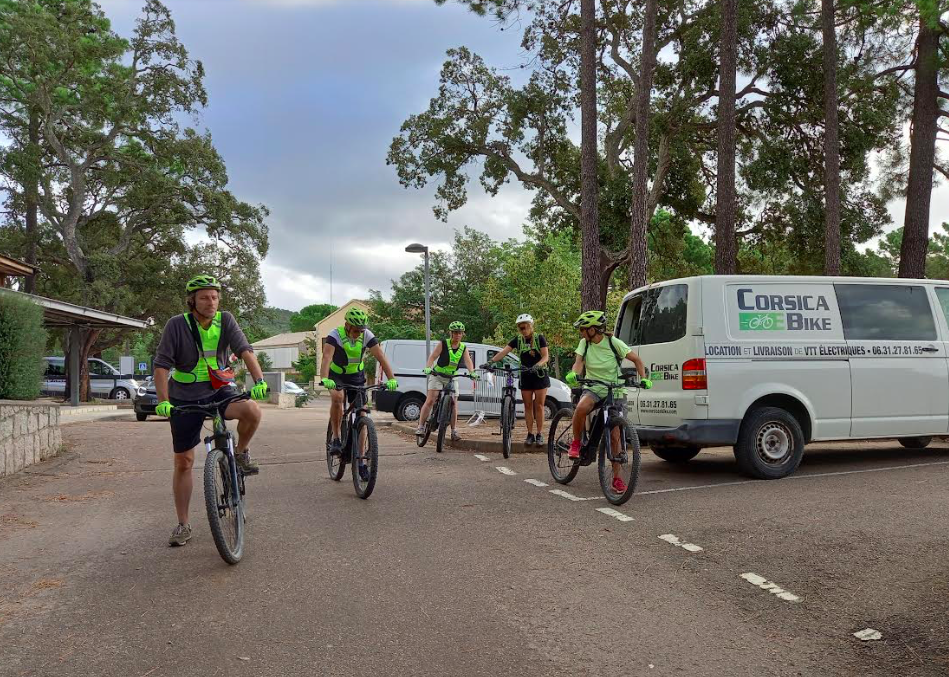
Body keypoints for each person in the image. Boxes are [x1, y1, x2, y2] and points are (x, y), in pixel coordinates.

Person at [154, 275, 271, 547]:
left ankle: (240, 453)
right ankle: (183, 524)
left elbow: (245, 351)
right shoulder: (176, 325)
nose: (211, 302)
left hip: (221, 388)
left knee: (252, 410)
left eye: (215, 297)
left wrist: (260, 381)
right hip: (184, 395)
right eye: (204, 297)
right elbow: (161, 365)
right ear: (192, 300)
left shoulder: (226, 320)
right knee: (183, 461)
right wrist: (163, 400)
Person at [564, 310, 649, 494]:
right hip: (594, 387)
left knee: (615, 435)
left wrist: (644, 378)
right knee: (581, 408)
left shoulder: (613, 343)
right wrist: (575, 374)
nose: (581, 332)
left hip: (615, 389)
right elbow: (579, 362)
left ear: (593, 329)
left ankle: (617, 479)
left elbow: (636, 359)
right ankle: (577, 443)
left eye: (583, 329)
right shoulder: (584, 344)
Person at [319, 307, 398, 465]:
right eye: (356, 330)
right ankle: (335, 438)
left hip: (357, 376)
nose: (359, 334)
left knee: (362, 414)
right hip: (337, 376)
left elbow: (381, 357)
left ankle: (361, 460)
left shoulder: (366, 335)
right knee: (338, 397)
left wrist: (391, 379)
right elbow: (326, 358)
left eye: (361, 331)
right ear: (347, 326)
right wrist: (324, 378)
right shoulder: (335, 335)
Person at [483, 313, 550, 446]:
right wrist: (490, 362)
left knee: (539, 406)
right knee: (528, 406)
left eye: (525, 327)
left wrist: (537, 366)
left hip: (539, 374)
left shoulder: (539, 338)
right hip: (525, 374)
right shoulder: (517, 340)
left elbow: (545, 357)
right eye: (521, 328)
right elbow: (503, 352)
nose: (523, 330)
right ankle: (530, 434)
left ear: (531, 326)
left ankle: (539, 434)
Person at [416, 321, 477, 441]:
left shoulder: (463, 347)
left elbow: (468, 361)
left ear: (462, 334)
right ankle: (421, 427)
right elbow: (433, 357)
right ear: (451, 333)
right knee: (430, 400)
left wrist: (472, 372)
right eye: (455, 333)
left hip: (452, 377)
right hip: (437, 375)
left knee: (454, 403)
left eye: (460, 333)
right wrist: (428, 367)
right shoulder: (443, 344)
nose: (458, 335)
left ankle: (454, 431)